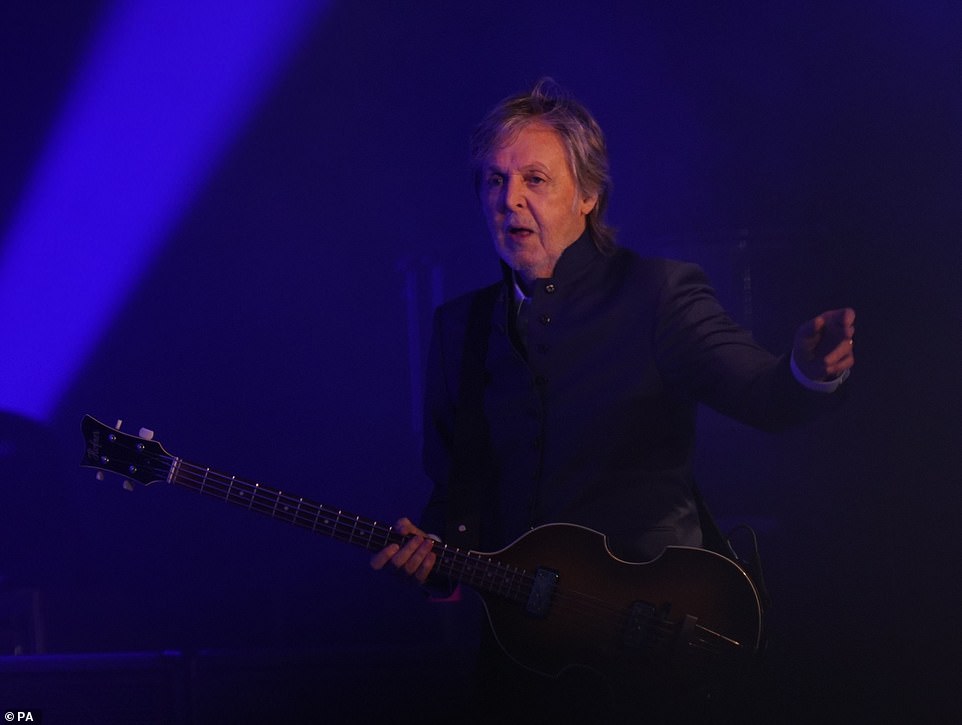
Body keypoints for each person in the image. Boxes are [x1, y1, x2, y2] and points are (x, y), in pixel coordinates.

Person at [371, 78, 855, 721]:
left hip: (657, 648)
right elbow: (456, 502)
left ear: (588, 195)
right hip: (524, 662)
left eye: (534, 180)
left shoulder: (658, 292)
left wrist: (804, 370)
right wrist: (433, 558)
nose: (509, 200)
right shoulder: (458, 328)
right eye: (493, 181)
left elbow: (764, 396)